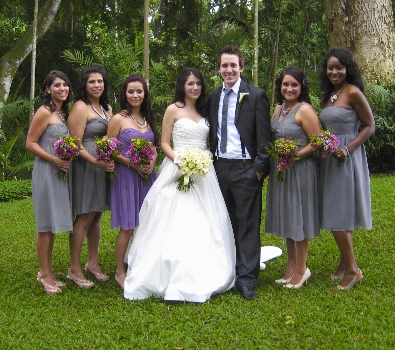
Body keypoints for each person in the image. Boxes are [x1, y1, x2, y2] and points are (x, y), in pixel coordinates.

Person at [124, 67, 236, 303]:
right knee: (170, 215)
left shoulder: (206, 111)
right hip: (176, 168)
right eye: (190, 83)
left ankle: (204, 267)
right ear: (182, 86)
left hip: (203, 171)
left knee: (205, 219)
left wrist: (198, 163)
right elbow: (164, 142)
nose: (195, 87)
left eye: (198, 83)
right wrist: (180, 161)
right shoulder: (173, 109)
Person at [208, 44, 271, 300]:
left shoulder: (255, 95)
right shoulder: (212, 97)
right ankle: (228, 271)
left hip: (246, 169)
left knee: (247, 224)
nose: (229, 69)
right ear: (219, 69)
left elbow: (264, 136)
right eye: (224, 65)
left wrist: (259, 169)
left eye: (233, 65)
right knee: (224, 222)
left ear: (242, 68)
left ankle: (246, 280)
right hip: (220, 167)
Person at [319, 47, 375, 291]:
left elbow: (369, 126)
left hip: (346, 158)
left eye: (339, 67)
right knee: (338, 211)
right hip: (330, 157)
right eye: (330, 67)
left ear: (347, 69)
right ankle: (343, 265)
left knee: (338, 214)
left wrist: (348, 148)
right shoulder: (330, 95)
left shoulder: (352, 92)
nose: (334, 72)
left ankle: (352, 271)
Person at [265, 66, 320, 289]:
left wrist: (294, 157)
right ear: (280, 86)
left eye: (294, 85)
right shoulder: (278, 109)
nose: (289, 88)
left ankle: (301, 269)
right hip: (281, 172)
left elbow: (317, 142)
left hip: (300, 171)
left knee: (299, 218)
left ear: (302, 87)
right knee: (288, 218)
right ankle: (290, 267)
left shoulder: (305, 110)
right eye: (286, 84)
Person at [107, 75, 158, 289]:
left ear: (145, 94)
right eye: (131, 91)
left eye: (139, 91)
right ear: (124, 94)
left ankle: (140, 264)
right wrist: (132, 164)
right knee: (128, 227)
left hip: (147, 177)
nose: (135, 95)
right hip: (126, 176)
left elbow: (154, 146)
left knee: (146, 224)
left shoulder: (147, 118)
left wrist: (152, 162)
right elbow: (109, 149)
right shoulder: (118, 119)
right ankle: (120, 270)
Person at [26, 70, 74, 295]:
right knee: (45, 224)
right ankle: (44, 274)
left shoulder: (60, 113)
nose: (62, 88)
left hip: (59, 171)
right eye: (57, 85)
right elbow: (31, 143)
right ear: (47, 89)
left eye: (65, 85)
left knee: (53, 223)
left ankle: (49, 271)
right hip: (47, 170)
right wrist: (54, 159)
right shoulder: (44, 111)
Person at [67, 65, 114, 287]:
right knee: (84, 216)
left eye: (100, 81)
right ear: (84, 85)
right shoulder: (80, 107)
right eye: (92, 81)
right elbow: (74, 144)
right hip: (87, 166)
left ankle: (92, 263)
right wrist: (96, 161)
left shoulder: (107, 108)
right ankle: (74, 269)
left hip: (102, 166)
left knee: (97, 215)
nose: (97, 85)